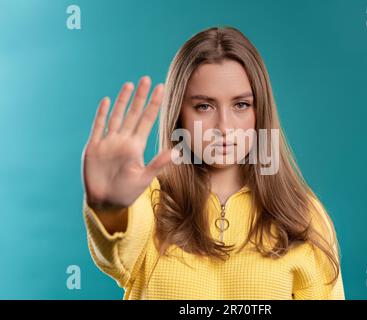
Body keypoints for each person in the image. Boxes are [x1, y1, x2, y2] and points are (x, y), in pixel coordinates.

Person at [81, 26, 345, 300]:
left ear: (261, 111)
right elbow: (116, 255)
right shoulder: (148, 202)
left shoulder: (303, 214)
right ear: (178, 114)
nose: (224, 126)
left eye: (241, 105)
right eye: (204, 106)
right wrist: (110, 208)